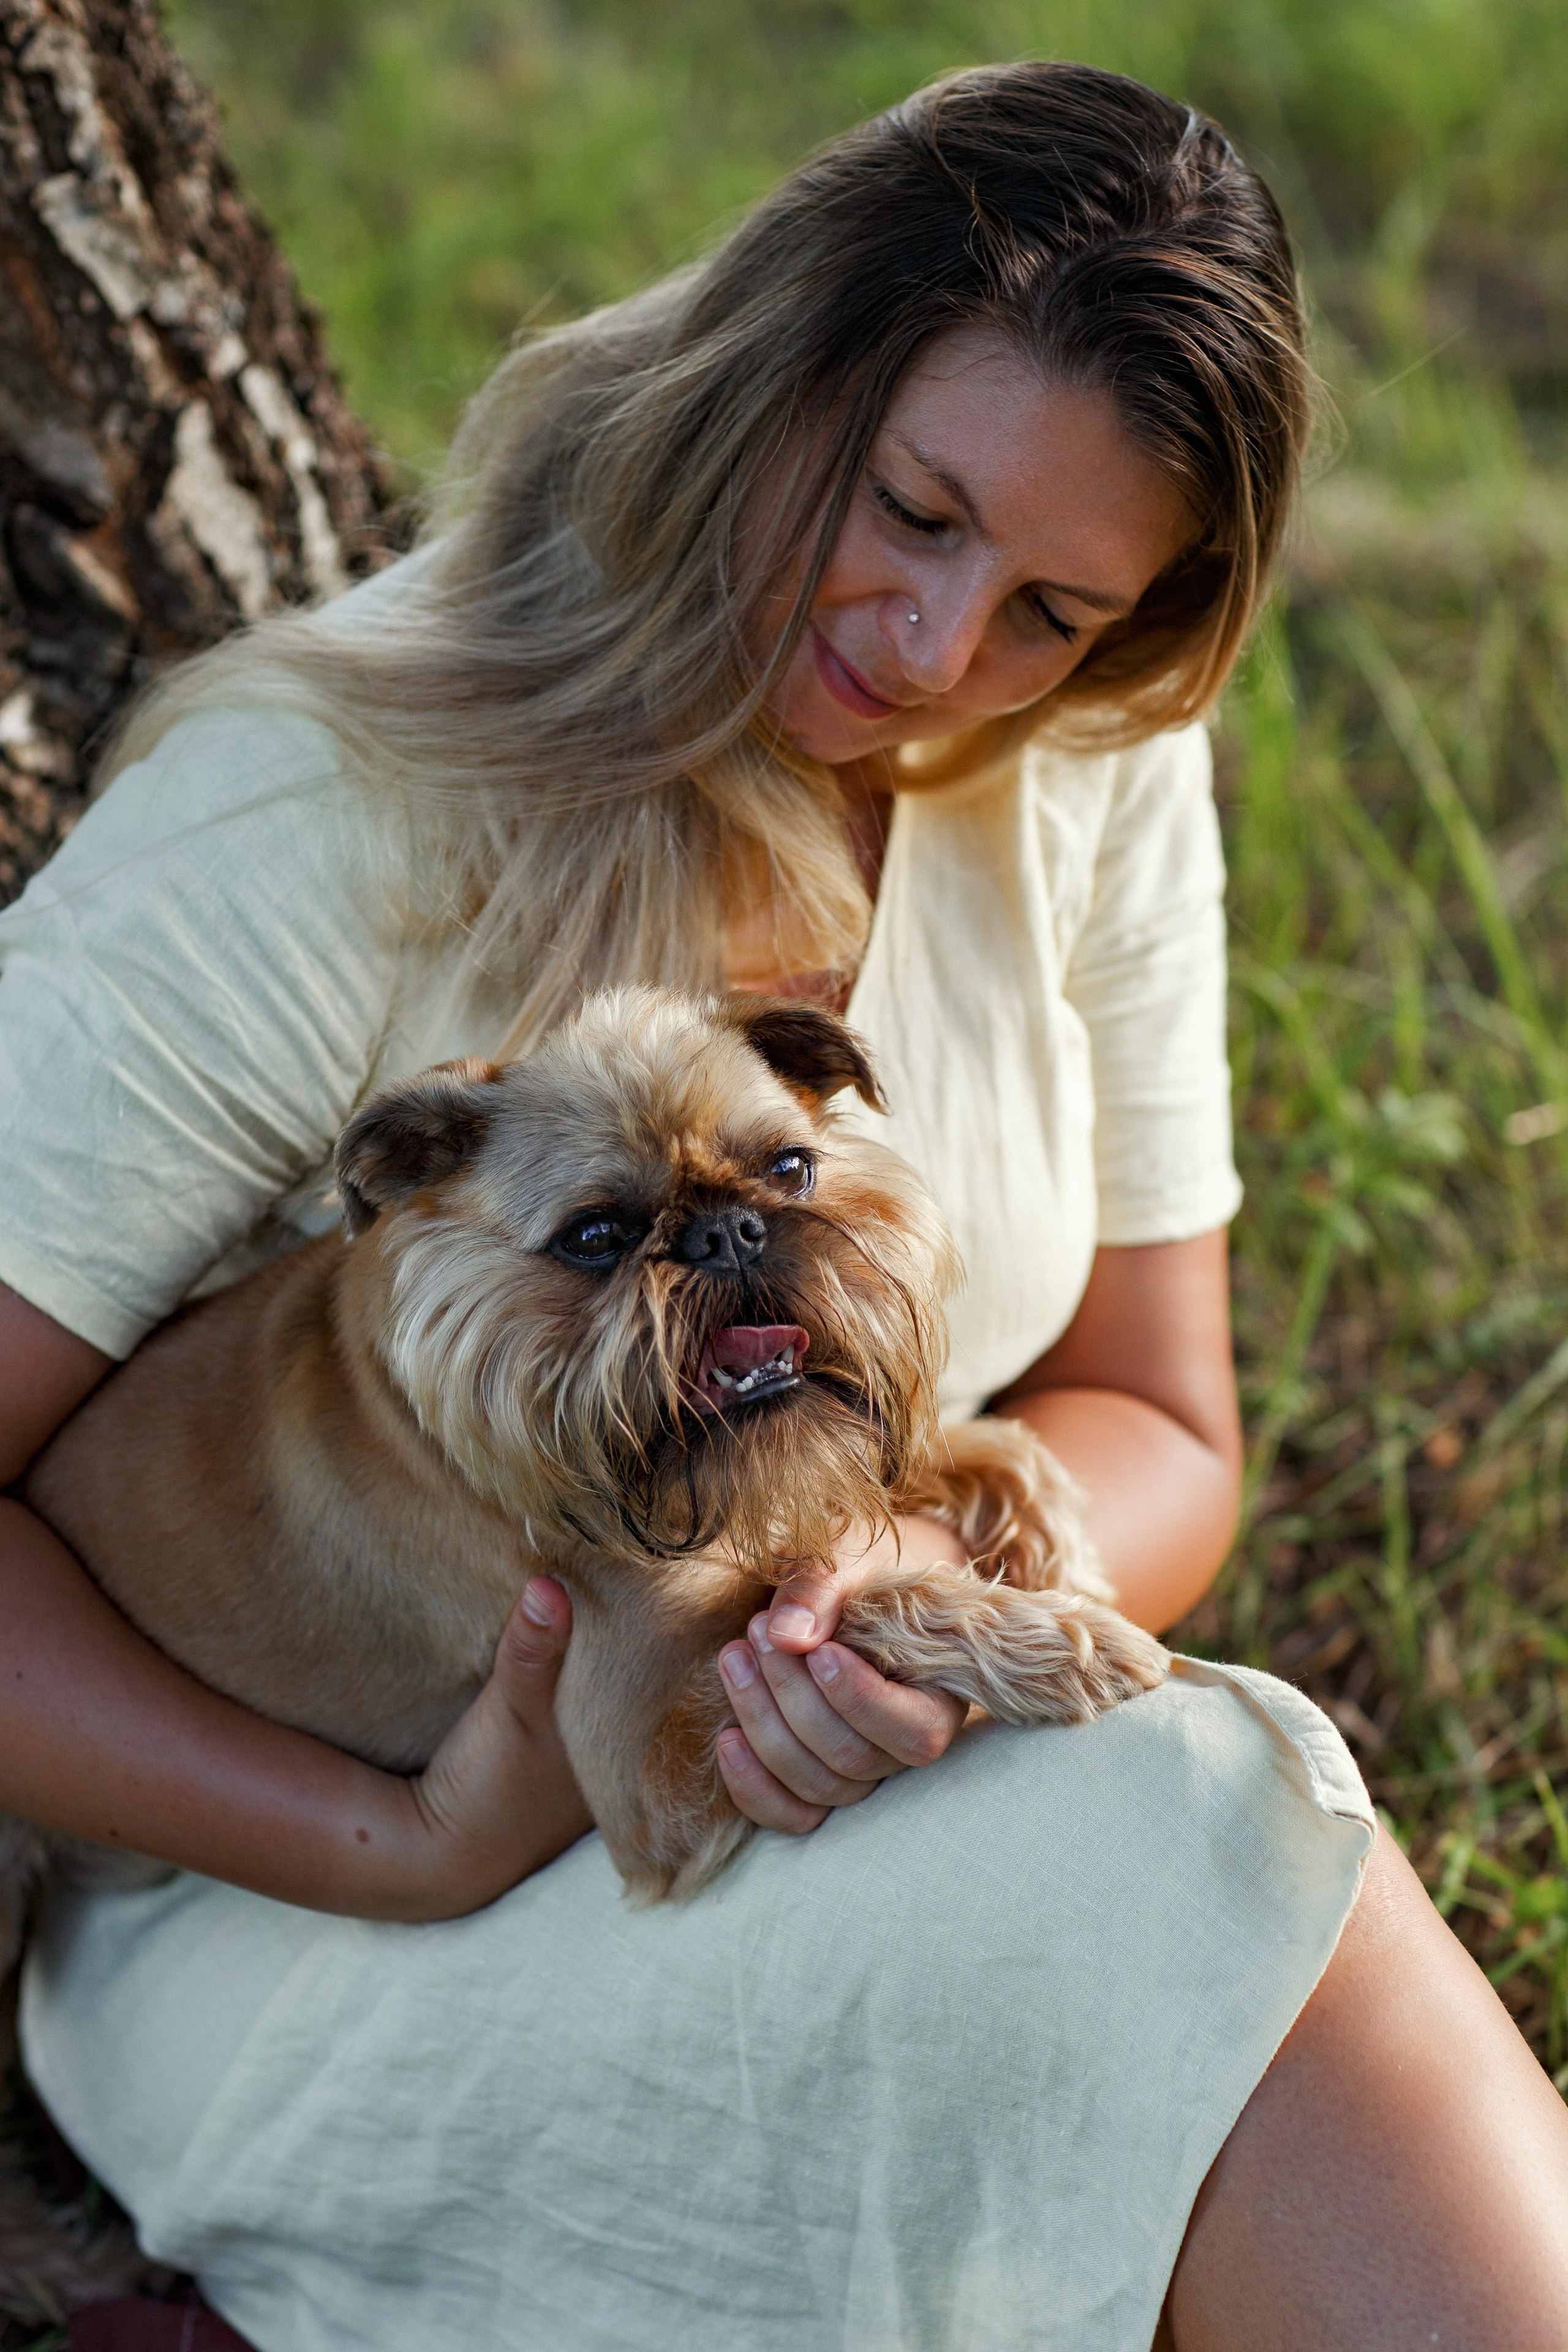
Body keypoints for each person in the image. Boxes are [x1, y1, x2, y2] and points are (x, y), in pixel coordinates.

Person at [1, 58, 1566, 2352]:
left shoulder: (1086, 757)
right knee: (1168, 1852)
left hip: (808, 1748)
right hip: (297, 1902)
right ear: (774, 374)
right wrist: (401, 1840)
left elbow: (1161, 1413)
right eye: (914, 510)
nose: (944, 656)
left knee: (1185, 1830)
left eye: (1053, 605)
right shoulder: (320, 812)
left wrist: (883, 1602)